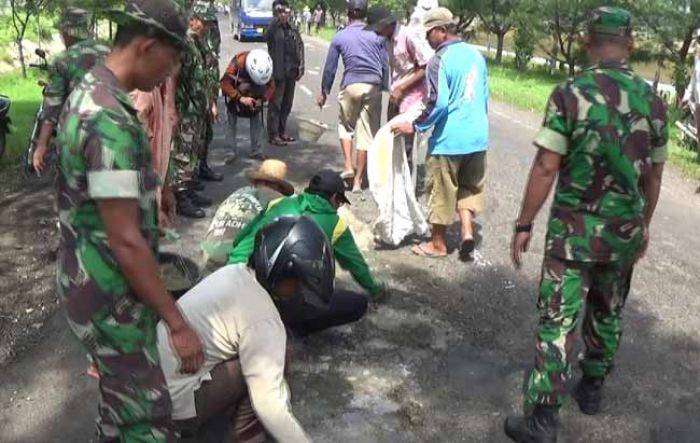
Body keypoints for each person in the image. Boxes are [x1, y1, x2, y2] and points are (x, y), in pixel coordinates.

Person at [504, 8, 668, 442]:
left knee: (558, 320)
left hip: (572, 237)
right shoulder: (653, 101)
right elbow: (654, 175)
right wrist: (643, 225)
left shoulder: (570, 93)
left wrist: (524, 222)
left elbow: (545, 166)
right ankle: (592, 387)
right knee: (608, 309)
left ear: (587, 41)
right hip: (623, 233)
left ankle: (542, 419)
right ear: (630, 44)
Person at [55, 1, 204, 440]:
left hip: (85, 280)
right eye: (172, 59)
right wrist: (177, 324)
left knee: (120, 403)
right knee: (146, 416)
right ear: (147, 46)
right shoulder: (109, 120)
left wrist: (148, 202)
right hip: (109, 294)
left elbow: (97, 196)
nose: (170, 72)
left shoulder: (89, 89)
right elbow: (124, 241)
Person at [158, 216, 327, 442]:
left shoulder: (233, 272)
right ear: (282, 273)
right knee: (273, 364)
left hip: (150, 385)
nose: (299, 288)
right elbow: (270, 406)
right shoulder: (263, 319)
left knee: (256, 356)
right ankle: (245, 437)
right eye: (298, 281)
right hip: (170, 407)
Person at [228, 170, 387, 334]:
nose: (338, 206)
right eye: (339, 201)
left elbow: (240, 240)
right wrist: (377, 290)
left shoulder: (278, 203)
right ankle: (292, 330)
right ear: (333, 198)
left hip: (242, 287)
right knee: (357, 304)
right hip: (282, 301)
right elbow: (357, 267)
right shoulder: (336, 225)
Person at [393, 7, 489, 262]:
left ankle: (438, 244)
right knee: (469, 186)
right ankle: (467, 231)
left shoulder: (439, 59)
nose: (426, 38)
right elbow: (484, 99)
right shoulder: (476, 56)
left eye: (429, 32)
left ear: (442, 31)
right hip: (478, 137)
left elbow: (439, 103)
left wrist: (414, 126)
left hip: (450, 139)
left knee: (442, 190)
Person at [318, 0, 389, 193]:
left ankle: (349, 166)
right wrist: (384, 88)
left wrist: (324, 91)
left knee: (345, 126)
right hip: (372, 85)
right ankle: (358, 182)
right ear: (365, 15)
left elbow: (330, 67)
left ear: (348, 14)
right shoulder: (377, 35)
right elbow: (384, 64)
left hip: (350, 85)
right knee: (367, 135)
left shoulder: (340, 36)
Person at [32, 7, 110, 174]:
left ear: (67, 32)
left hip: (76, 138)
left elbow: (52, 106)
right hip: (110, 133)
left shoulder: (63, 60)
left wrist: (41, 145)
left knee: (75, 193)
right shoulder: (108, 52)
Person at [201, 159, 294, 270]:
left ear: (256, 181)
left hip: (207, 253)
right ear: (279, 188)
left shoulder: (240, 191)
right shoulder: (277, 202)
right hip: (233, 263)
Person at [221, 49, 275, 161]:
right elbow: (224, 83)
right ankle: (229, 152)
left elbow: (271, 87)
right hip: (236, 96)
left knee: (258, 121)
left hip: (256, 95)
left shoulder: (266, 66)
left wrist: (263, 99)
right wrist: (240, 98)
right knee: (229, 121)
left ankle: (256, 151)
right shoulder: (238, 62)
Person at [193, 0, 224, 183]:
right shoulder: (193, 37)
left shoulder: (212, 29)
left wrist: (212, 98)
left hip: (208, 88)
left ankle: (201, 167)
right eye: (206, 21)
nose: (208, 25)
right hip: (197, 94)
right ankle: (191, 176)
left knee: (206, 133)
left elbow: (213, 56)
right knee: (194, 137)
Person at [267, 1, 305, 146]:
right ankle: (273, 134)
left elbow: (300, 46)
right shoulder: (273, 28)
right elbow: (267, 36)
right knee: (275, 104)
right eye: (280, 12)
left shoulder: (292, 28)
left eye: (286, 11)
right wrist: (277, 19)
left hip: (291, 71)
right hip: (278, 73)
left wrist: (301, 66)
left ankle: (282, 131)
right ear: (275, 13)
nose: (284, 14)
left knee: (287, 104)